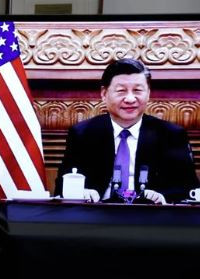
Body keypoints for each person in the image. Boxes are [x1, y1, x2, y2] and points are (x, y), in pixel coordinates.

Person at [55, 58, 198, 204]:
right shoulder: (82, 133)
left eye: (137, 90)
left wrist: (163, 197)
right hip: (96, 217)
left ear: (148, 93)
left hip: (152, 219)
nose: (130, 99)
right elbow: (62, 186)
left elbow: (188, 189)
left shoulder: (171, 135)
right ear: (104, 94)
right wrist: (81, 192)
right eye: (121, 91)